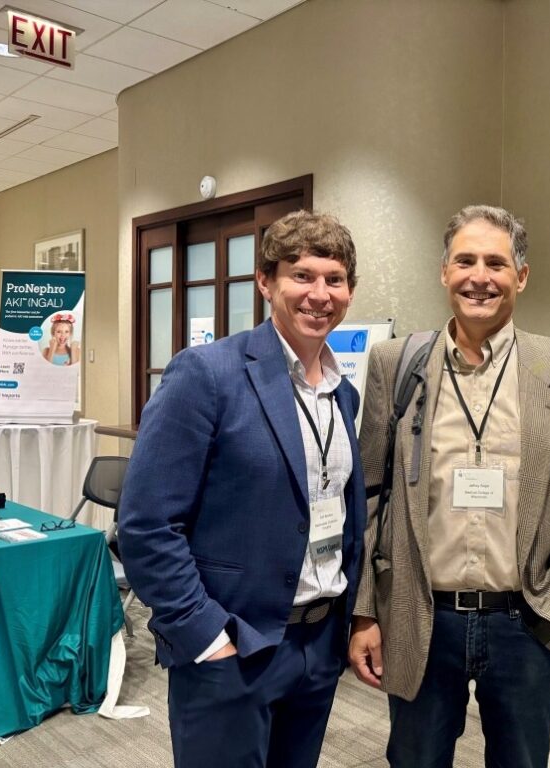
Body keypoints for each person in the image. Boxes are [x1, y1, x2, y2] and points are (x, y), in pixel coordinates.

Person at [349, 204, 550, 768]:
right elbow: (369, 496)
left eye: (496, 263)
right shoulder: (395, 364)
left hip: (526, 623)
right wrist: (366, 612)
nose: (479, 277)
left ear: (521, 276)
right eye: (465, 260)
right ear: (444, 271)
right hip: (421, 615)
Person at [119, 210, 366, 768]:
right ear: (266, 282)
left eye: (335, 279)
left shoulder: (342, 394)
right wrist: (206, 636)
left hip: (317, 643)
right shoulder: (206, 374)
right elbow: (146, 524)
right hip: (234, 645)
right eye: (301, 275)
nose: (319, 294)